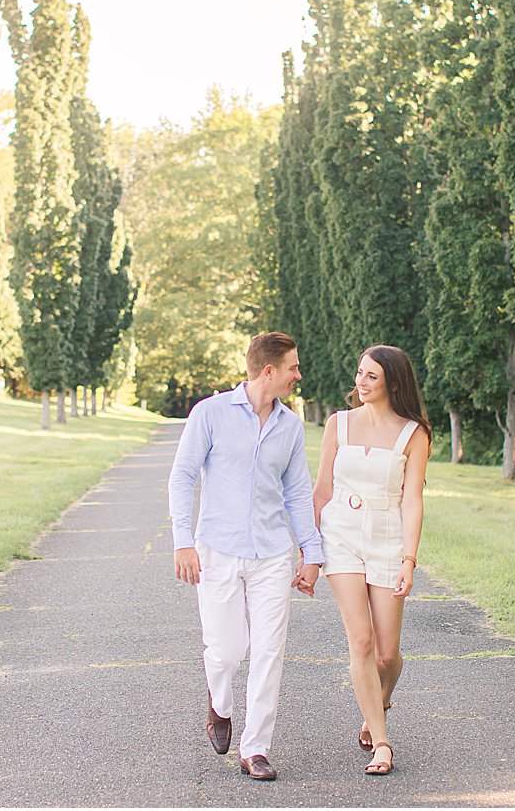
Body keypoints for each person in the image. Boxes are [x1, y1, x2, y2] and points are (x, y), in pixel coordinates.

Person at [168, 332, 324, 782]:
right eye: (292, 367)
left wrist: (310, 553)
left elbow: (297, 494)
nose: (298, 375)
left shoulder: (290, 426)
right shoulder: (210, 413)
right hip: (216, 550)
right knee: (226, 652)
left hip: (272, 555)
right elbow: (182, 477)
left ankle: (255, 748)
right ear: (269, 371)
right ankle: (219, 705)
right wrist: (183, 541)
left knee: (269, 651)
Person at [313, 344, 432, 776]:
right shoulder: (338, 424)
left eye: (371, 377)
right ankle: (382, 742)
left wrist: (409, 559)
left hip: (386, 538)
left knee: (388, 654)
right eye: (359, 374)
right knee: (360, 641)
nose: (360, 384)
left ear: (393, 384)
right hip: (340, 534)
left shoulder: (413, 434)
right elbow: (322, 489)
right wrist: (310, 551)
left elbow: (413, 501)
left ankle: (376, 704)